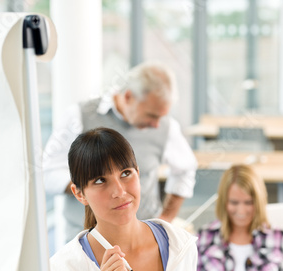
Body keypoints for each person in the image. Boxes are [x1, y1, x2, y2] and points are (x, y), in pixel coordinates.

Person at [49, 128, 197, 271]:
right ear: (79, 193)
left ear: (138, 172)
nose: (119, 191)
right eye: (100, 181)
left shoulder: (180, 246)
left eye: (126, 173)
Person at [43, 61, 197, 243]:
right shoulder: (79, 116)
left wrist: (166, 219)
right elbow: (47, 173)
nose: (156, 124)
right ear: (129, 96)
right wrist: (94, 186)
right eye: (152, 115)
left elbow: (186, 170)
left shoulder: (166, 127)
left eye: (126, 174)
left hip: (144, 242)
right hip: (86, 242)